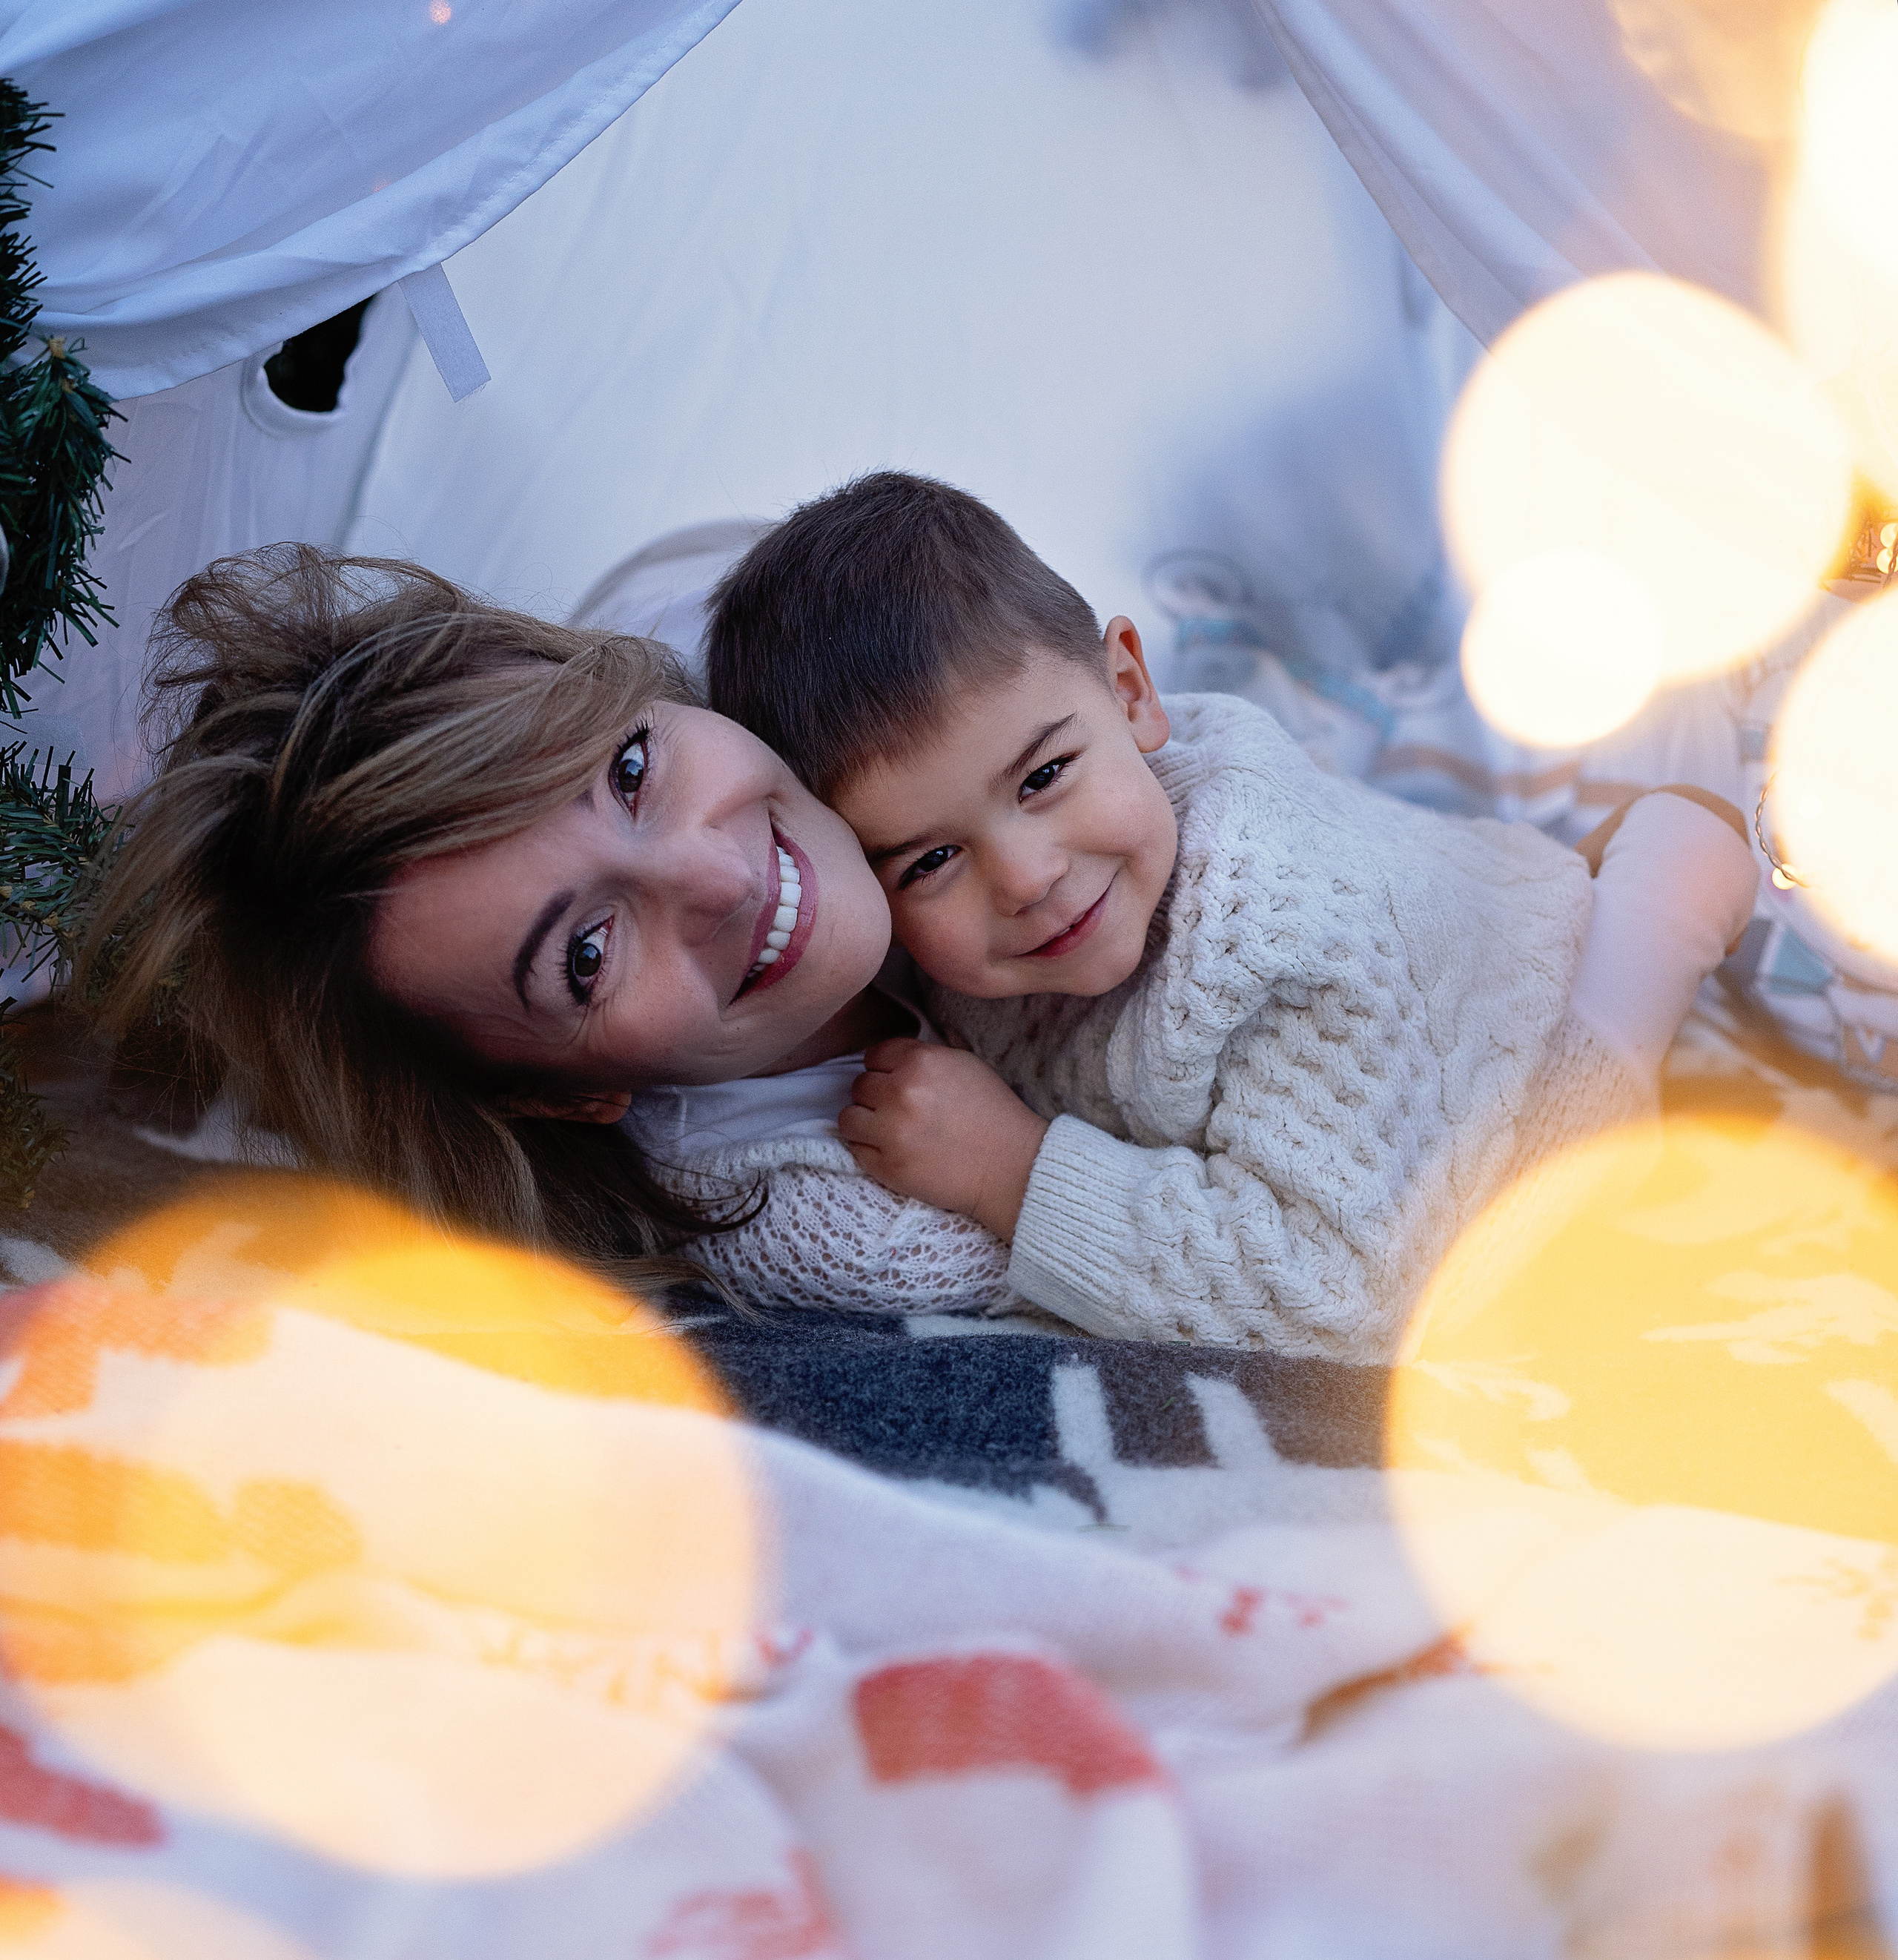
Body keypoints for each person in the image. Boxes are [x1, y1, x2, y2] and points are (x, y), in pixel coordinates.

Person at [703, 472, 1762, 1359]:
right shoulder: (976, 924)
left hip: (1499, 1025)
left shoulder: (1276, 934)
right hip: (1404, 916)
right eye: (931, 858)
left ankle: (1666, 873)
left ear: (1131, 688)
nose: (1024, 874)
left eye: (1045, 776)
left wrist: (1014, 1171)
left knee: (1532, 1221)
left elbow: (1337, 1298)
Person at [75, 543, 905, 1284]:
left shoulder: (842, 641)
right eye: (587, 955)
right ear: (566, 1099)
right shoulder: (830, 1226)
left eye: (628, 771)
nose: (723, 879)